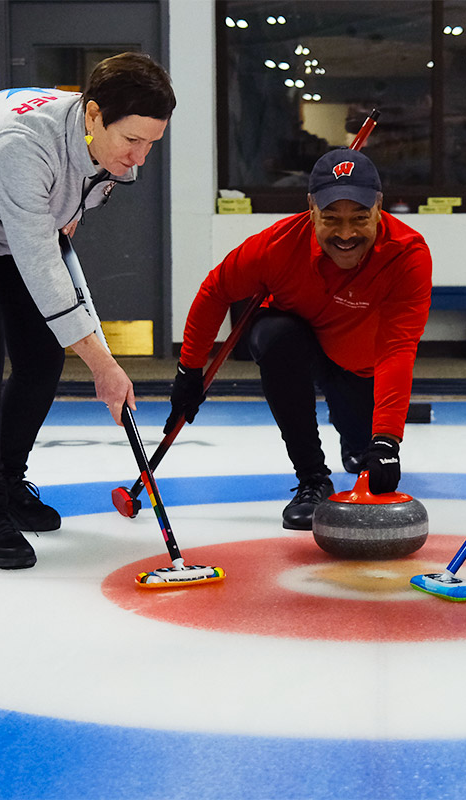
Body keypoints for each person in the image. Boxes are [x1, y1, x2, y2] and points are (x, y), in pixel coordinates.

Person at [0, 53, 176, 570]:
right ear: (93, 116)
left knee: (42, 354)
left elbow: (60, 244)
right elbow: (41, 262)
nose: (139, 157)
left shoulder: (104, 150)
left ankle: (6, 479)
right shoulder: (22, 145)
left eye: (151, 143)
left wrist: (94, 349)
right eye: (132, 140)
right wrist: (103, 364)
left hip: (4, 225)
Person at [168, 148, 432, 530]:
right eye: (331, 219)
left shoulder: (406, 254)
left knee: (364, 449)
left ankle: (354, 439)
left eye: (360, 218)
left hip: (358, 362)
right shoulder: (276, 247)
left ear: (379, 206)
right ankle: (312, 478)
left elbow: (398, 348)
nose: (345, 234)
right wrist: (189, 371)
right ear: (310, 207)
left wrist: (387, 440)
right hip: (299, 343)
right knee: (275, 337)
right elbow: (215, 291)